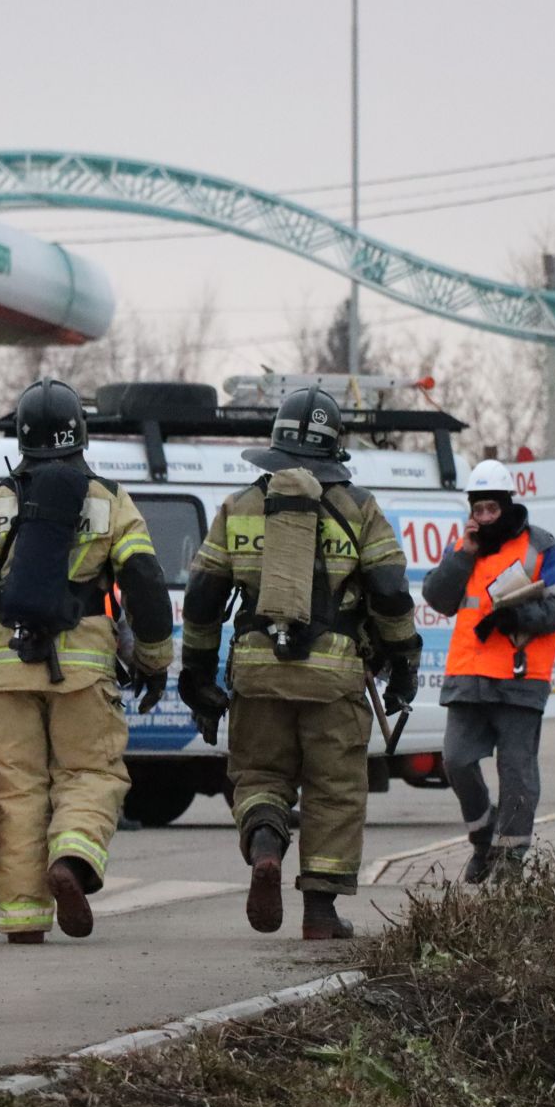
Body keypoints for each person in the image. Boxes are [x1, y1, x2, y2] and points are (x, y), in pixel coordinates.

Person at [0, 379, 175, 944]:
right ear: (80, 434)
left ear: (21, 437)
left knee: (17, 791)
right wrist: (154, 659)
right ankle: (72, 862)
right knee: (89, 775)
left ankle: (24, 919)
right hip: (84, 674)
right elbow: (146, 583)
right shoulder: (109, 500)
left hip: (7, 674)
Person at [177, 388, 421, 941]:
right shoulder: (360, 508)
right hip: (334, 678)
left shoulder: (239, 507)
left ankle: (266, 845)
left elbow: (202, 598)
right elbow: (388, 592)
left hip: (257, 672)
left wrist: (196, 676)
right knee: (335, 788)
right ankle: (320, 913)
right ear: (335, 447)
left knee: (261, 776)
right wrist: (404, 659)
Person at [421, 459, 555, 883]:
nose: (486, 517)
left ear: (508, 505)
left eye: (492, 509)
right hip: (467, 677)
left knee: (517, 773)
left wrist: (517, 618)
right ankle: (483, 839)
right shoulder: (464, 548)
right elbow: (438, 598)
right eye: (479, 509)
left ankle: (509, 861)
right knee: (456, 761)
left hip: (520, 679)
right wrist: (464, 555)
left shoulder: (543, 548)